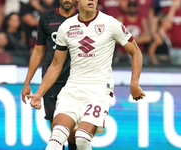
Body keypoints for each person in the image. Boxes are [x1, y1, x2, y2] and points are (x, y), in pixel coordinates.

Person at [27, 0, 145, 149]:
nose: (92, 0)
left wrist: (134, 83)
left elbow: (136, 52)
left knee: (82, 138)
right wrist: (38, 93)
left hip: (98, 90)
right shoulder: (66, 27)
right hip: (72, 89)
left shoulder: (111, 23)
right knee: (56, 137)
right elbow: (56, 65)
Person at [21, 0, 78, 149]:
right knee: (56, 133)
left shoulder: (82, 19)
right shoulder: (47, 18)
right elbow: (38, 51)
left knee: (73, 133)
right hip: (51, 81)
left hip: (75, 81)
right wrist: (27, 83)